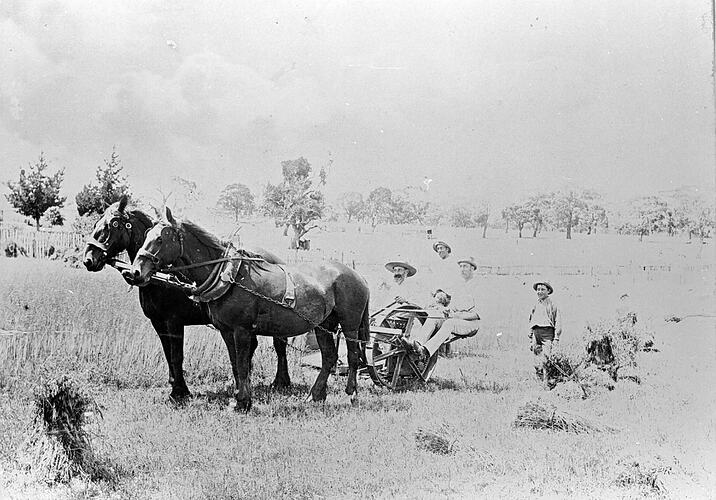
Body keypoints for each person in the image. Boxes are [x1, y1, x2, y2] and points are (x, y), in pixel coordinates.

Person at [401, 256, 481, 359]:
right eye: (460, 266)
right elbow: (453, 306)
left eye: (465, 266)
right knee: (434, 317)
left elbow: (477, 315)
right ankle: (417, 345)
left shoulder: (478, 286)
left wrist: (455, 315)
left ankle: (426, 351)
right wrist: (445, 310)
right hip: (455, 318)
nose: (462, 269)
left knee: (449, 323)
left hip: (471, 323)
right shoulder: (459, 286)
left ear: (472, 268)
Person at [528, 281, 561, 383]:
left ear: (548, 291)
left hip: (547, 333)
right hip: (536, 333)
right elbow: (531, 319)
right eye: (538, 290)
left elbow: (558, 321)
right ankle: (539, 381)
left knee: (546, 359)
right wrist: (530, 336)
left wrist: (556, 338)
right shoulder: (535, 304)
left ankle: (547, 382)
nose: (540, 292)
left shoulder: (552, 304)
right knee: (536, 359)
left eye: (542, 289)